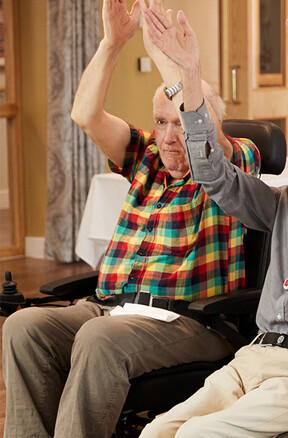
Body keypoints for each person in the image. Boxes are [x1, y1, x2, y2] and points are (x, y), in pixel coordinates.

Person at [1, 1, 260, 436]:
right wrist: (111, 43)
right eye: (162, 123)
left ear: (209, 120)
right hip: (113, 310)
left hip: (191, 320)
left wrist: (172, 62)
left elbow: (205, 138)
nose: (172, 136)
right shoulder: (146, 157)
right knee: (25, 327)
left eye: (182, 123)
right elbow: (85, 115)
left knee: (99, 340)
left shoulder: (232, 164)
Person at [137, 2, 288, 435]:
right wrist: (186, 77)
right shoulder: (279, 206)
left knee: (200, 435)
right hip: (250, 359)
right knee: (157, 430)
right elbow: (212, 171)